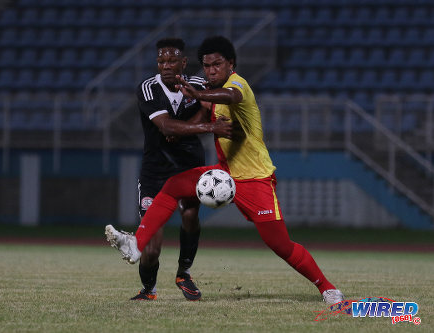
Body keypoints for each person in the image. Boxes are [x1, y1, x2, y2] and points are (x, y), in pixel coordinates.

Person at [106, 36, 344, 304]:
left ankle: (327, 288)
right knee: (172, 185)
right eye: (206, 66)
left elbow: (230, 96)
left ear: (231, 64)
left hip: (255, 178)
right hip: (225, 173)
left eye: (217, 64)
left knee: (280, 245)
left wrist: (197, 94)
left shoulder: (236, 84)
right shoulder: (210, 91)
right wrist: (191, 122)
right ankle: (136, 244)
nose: (211, 71)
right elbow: (206, 112)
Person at [126, 37, 232, 301]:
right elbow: (165, 126)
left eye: (172, 60)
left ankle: (183, 273)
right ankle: (148, 290)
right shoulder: (148, 88)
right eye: (161, 60)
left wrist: (192, 126)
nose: (166, 65)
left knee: (189, 217)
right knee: (152, 247)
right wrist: (206, 128)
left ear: (184, 63)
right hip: (155, 172)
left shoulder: (196, 84)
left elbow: (210, 108)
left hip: (188, 166)